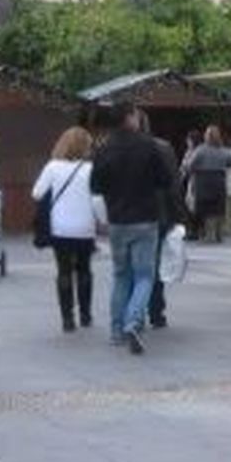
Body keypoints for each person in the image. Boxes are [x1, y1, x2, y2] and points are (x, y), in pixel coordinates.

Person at [90, 105, 170, 353]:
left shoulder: (103, 148)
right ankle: (133, 320)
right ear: (128, 118)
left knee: (120, 275)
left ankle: (116, 331)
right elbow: (165, 180)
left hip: (117, 220)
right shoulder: (148, 145)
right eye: (135, 114)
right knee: (144, 275)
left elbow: (95, 185)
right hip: (145, 218)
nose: (138, 118)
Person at [33, 126, 107, 333]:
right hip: (85, 227)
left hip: (60, 227)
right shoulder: (90, 169)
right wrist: (103, 220)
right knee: (84, 270)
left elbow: (37, 193)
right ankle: (85, 314)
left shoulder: (53, 167)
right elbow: (97, 199)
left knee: (63, 271)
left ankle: (67, 318)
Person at [134, 108, 182, 330]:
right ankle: (156, 311)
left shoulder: (124, 148)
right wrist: (176, 215)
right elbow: (174, 183)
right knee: (154, 264)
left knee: (134, 265)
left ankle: (136, 312)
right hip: (159, 214)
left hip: (130, 215)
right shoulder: (164, 148)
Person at [183, 125, 231, 243]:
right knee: (218, 208)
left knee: (204, 209)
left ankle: (207, 233)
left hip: (202, 182)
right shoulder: (223, 151)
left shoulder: (200, 150)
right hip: (219, 181)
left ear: (206, 136)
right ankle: (218, 233)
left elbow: (190, 166)